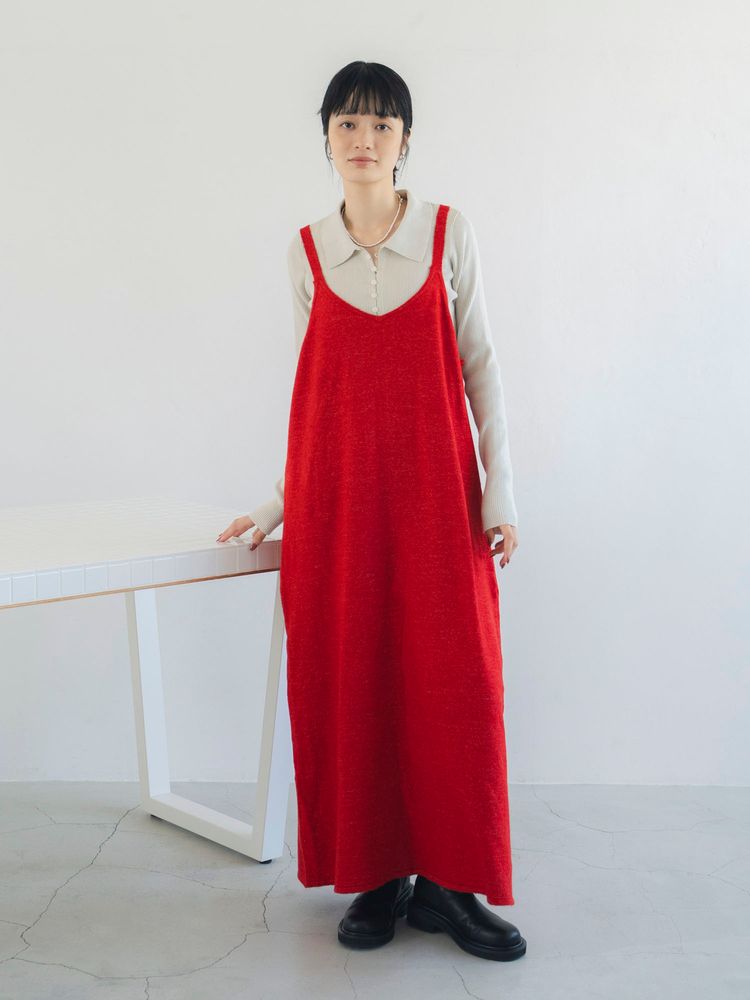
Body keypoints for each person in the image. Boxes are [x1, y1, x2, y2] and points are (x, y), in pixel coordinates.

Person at [217, 61, 526, 963]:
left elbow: (482, 368)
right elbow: (315, 398)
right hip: (342, 509)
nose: (364, 139)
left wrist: (500, 494)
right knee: (358, 680)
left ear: (405, 141)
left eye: (382, 125)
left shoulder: (448, 233)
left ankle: (451, 885)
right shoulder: (307, 251)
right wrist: (278, 504)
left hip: (441, 503)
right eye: (348, 123)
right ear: (325, 138)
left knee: (455, 685)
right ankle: (380, 877)